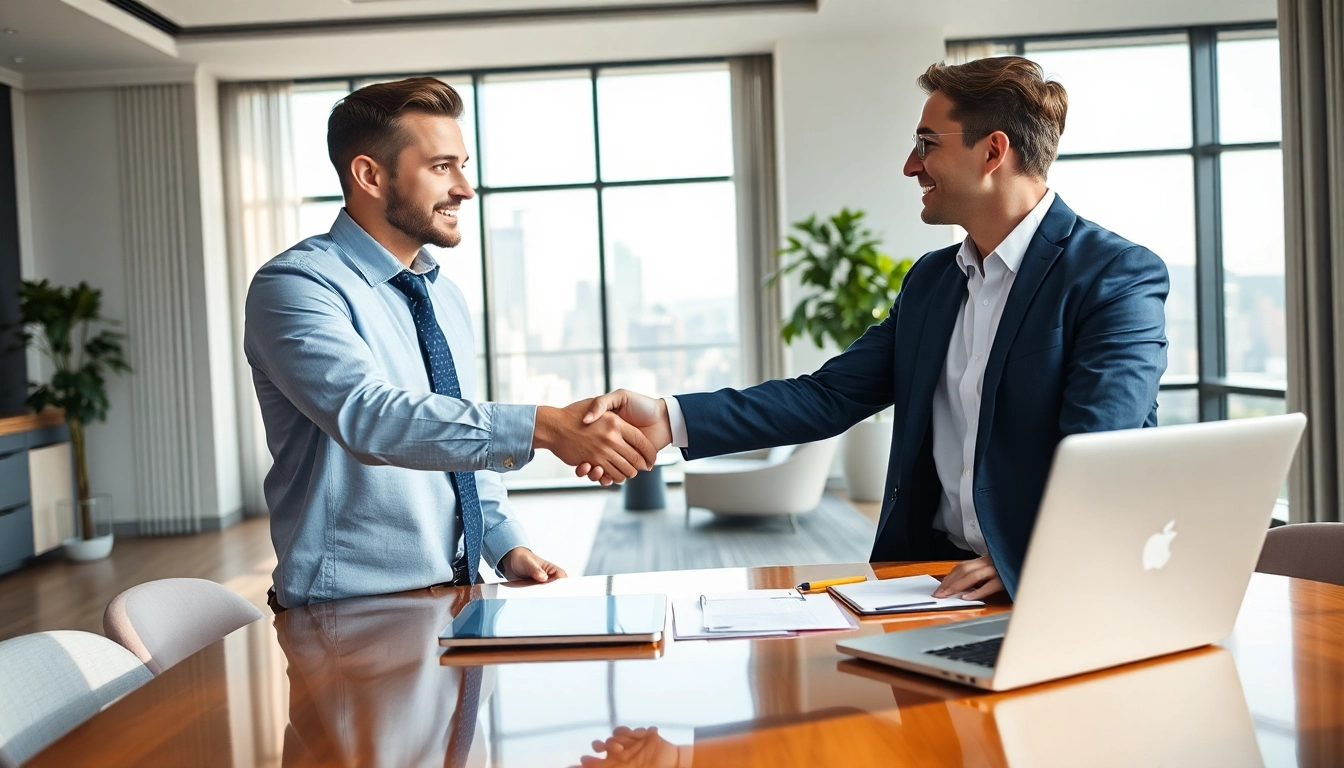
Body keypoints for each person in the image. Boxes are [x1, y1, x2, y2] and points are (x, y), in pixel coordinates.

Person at [578, 57, 1169, 601]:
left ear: (993, 153)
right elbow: (829, 395)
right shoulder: (933, 281)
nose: (910, 165)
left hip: (1048, 586)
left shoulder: (1115, 276)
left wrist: (1028, 560)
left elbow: (1101, 451)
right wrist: (670, 417)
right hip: (928, 580)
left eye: (926, 144)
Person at [245, 77, 657, 609]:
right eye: (442, 167)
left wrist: (505, 545)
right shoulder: (297, 285)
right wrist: (544, 427)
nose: (464, 188)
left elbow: (454, 434)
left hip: (459, 593)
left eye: (463, 166)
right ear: (369, 175)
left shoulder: (444, 295)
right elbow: (370, 418)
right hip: (349, 612)